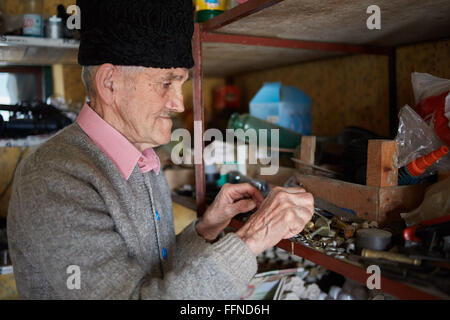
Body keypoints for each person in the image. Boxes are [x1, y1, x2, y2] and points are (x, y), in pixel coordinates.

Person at [7, 0, 314, 299]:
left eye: (180, 82)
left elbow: (152, 271)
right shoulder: (52, 178)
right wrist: (253, 237)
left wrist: (205, 230)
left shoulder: (142, 156)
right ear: (109, 83)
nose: (179, 103)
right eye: (166, 82)